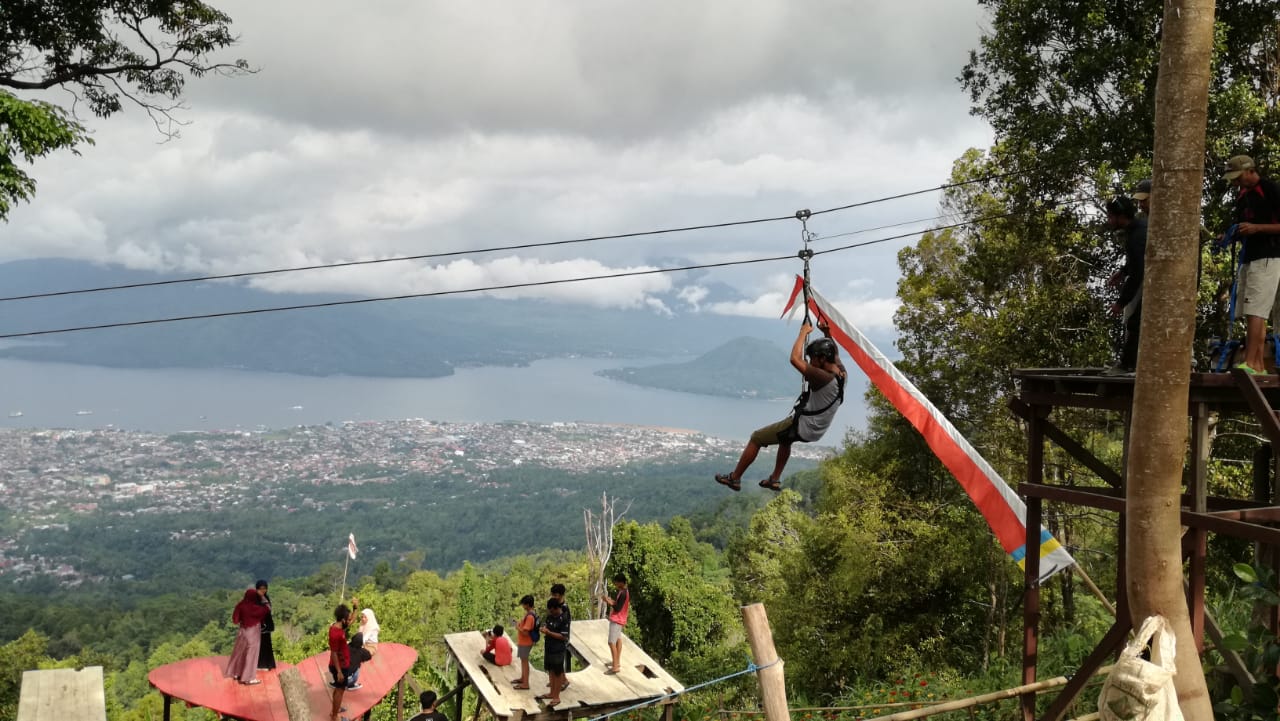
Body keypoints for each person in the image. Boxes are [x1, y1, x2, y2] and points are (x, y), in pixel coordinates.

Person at [715, 320, 846, 492]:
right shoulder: (841, 373)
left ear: (822, 359)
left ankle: (735, 478)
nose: (811, 363)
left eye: (813, 359)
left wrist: (804, 332)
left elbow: (794, 359)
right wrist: (827, 333)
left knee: (757, 438)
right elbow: (835, 354)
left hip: (804, 426)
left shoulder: (822, 377)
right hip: (817, 430)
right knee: (785, 438)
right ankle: (774, 479)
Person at [1225, 155, 1280, 375]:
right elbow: (1241, 225)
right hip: (1250, 257)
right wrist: (1230, 234)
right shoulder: (1242, 196)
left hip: (1269, 256)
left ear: (1250, 171)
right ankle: (1256, 363)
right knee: (1251, 310)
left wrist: (1257, 228)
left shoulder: (1270, 190)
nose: (1235, 182)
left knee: (1257, 309)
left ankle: (1252, 363)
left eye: (1238, 177)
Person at [1105, 197, 1147, 372]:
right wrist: (1123, 272)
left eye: (1110, 216)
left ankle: (1128, 365)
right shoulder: (1137, 229)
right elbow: (1136, 263)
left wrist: (1120, 303)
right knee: (1137, 322)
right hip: (1148, 278)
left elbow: (1138, 274)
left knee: (1135, 323)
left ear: (1120, 217)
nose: (1108, 220)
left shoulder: (1137, 235)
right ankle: (1131, 364)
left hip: (1157, 283)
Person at [223, 587, 269, 685]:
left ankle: (236, 673)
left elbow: (235, 620)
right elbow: (267, 609)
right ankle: (248, 678)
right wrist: (263, 598)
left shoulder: (240, 605)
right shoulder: (256, 607)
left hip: (242, 632)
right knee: (251, 655)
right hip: (253, 633)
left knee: (239, 652)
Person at [535, 598, 571, 707]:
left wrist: (549, 632)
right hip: (549, 647)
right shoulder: (550, 617)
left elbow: (563, 636)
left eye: (552, 610)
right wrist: (544, 629)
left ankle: (556, 696)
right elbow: (548, 627)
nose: (551, 613)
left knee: (558, 672)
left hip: (558, 649)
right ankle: (551, 693)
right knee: (550, 670)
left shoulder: (564, 618)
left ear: (557, 608)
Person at [598, 574, 630, 675]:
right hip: (619, 619)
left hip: (617, 620)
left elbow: (617, 608)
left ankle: (615, 667)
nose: (615, 584)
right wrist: (610, 600)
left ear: (621, 582)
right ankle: (616, 662)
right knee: (618, 640)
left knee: (611, 642)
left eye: (616, 582)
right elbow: (617, 604)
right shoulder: (622, 592)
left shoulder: (624, 593)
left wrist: (607, 601)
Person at [328, 604, 355, 721]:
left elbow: (352, 621)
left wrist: (355, 609)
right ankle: (335, 716)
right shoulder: (335, 634)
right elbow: (333, 653)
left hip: (343, 664)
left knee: (339, 689)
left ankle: (334, 711)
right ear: (343, 619)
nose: (349, 621)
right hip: (340, 666)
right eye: (347, 619)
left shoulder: (339, 626)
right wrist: (339, 671)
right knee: (340, 691)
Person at [513, 595, 537, 689]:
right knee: (523, 661)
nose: (523, 606)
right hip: (524, 642)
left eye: (523, 604)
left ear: (527, 604)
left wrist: (518, 627)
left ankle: (525, 683)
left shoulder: (530, 616)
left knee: (525, 662)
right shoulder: (529, 614)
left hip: (526, 642)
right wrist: (518, 623)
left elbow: (526, 632)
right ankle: (523, 678)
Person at [255, 579, 276, 671]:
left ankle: (267, 664)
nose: (263, 590)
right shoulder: (255, 599)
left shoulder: (266, 598)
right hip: (258, 626)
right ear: (257, 589)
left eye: (264, 588)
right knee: (258, 646)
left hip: (266, 625)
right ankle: (260, 665)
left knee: (266, 645)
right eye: (261, 588)